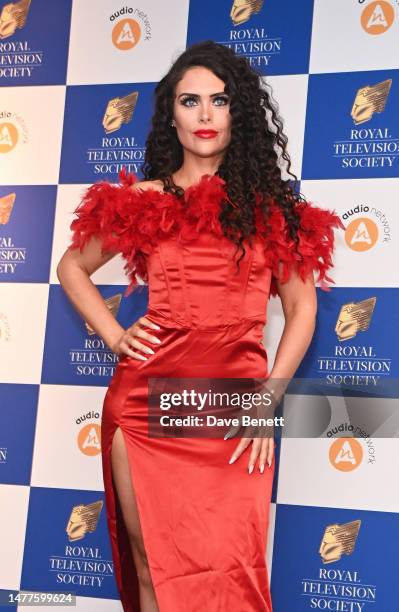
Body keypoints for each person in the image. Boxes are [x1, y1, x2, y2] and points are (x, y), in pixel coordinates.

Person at [57, 41, 343, 612]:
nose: (206, 115)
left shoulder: (272, 211)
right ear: (172, 115)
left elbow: (302, 309)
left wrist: (269, 401)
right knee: (149, 561)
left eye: (220, 100)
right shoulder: (143, 200)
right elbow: (72, 266)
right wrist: (116, 336)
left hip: (234, 412)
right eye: (191, 101)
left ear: (240, 113)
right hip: (144, 403)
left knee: (230, 568)